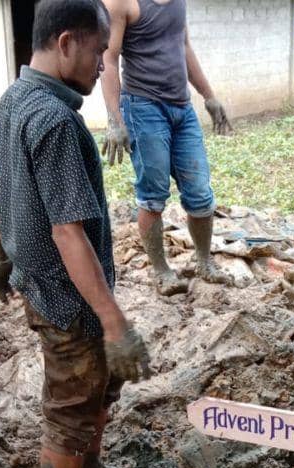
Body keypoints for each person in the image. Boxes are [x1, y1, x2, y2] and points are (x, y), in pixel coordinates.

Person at [0, 0, 152, 468]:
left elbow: (0, 189)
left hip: (38, 282)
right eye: (98, 53)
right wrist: (113, 321)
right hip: (67, 296)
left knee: (99, 383)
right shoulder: (55, 121)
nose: (104, 66)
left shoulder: (10, 102)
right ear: (64, 44)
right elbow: (68, 233)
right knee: (73, 399)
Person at [100, 0, 233, 295]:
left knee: (200, 192)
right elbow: (108, 60)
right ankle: (161, 271)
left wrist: (208, 96)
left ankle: (203, 261)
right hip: (143, 108)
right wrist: (115, 119)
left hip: (182, 109)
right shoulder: (122, 3)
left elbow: (183, 45)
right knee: (153, 195)